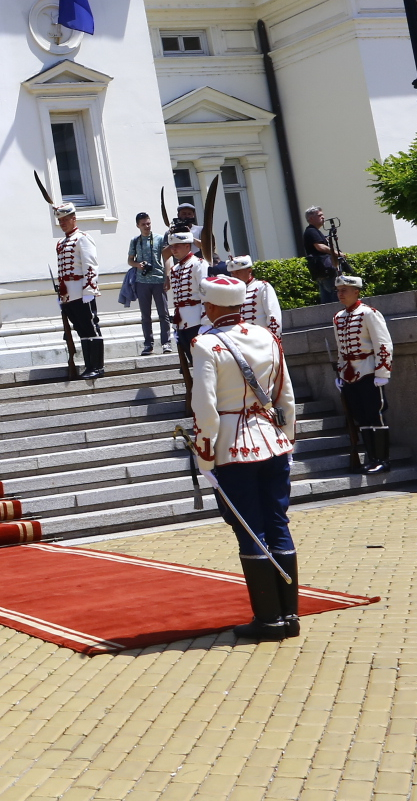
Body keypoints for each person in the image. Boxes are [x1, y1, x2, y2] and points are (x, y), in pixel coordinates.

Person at [187, 273, 299, 641]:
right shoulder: (266, 336)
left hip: (232, 448)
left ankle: (267, 619)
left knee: (250, 528)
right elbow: (285, 394)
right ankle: (290, 615)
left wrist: (204, 454)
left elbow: (205, 409)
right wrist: (289, 439)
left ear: (213, 305)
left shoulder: (205, 345)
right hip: (273, 441)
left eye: (206, 301)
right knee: (277, 523)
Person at [332, 275, 394, 474]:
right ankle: (371, 459)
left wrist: (382, 371)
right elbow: (341, 349)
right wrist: (341, 374)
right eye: (338, 290)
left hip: (368, 371)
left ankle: (383, 460)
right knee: (360, 417)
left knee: (375, 415)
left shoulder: (369, 313)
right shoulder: (338, 317)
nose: (340, 294)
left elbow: (383, 344)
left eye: (345, 290)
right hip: (349, 375)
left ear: (356, 291)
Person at [53, 203, 104, 379]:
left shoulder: (82, 238)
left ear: (74, 218)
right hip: (68, 294)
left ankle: (97, 366)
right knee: (81, 330)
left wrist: (90, 289)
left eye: (66, 219)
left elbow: (91, 265)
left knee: (91, 328)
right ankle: (89, 365)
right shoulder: (61, 242)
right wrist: (61, 295)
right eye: (60, 220)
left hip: (82, 291)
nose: (62, 223)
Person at [127, 213, 170, 356]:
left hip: (158, 280)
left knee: (163, 313)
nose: (147, 226)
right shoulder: (135, 241)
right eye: (144, 224)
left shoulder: (159, 238)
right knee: (145, 316)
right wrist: (138, 265)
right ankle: (148, 345)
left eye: (148, 223)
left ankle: (166, 343)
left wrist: (167, 276)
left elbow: (166, 258)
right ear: (138, 226)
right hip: (142, 282)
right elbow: (130, 261)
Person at [166, 231, 205, 363]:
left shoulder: (198, 264)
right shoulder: (175, 269)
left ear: (187, 246)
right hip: (181, 323)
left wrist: (206, 321)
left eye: (177, 245)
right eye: (171, 246)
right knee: (192, 362)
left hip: (197, 320)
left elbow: (205, 294)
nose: (173, 249)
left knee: (203, 361)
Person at [228, 255, 282, 339]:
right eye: (232, 273)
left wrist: (274, 339)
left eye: (238, 272)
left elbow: (273, 315)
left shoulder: (262, 287)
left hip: (261, 338)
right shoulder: (231, 291)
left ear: (249, 271)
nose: (235, 276)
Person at [302, 207, 338, 303]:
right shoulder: (311, 231)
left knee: (327, 298)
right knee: (334, 296)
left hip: (321, 270)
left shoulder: (313, 231)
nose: (323, 217)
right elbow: (319, 247)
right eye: (319, 215)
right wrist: (337, 253)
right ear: (311, 219)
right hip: (324, 269)